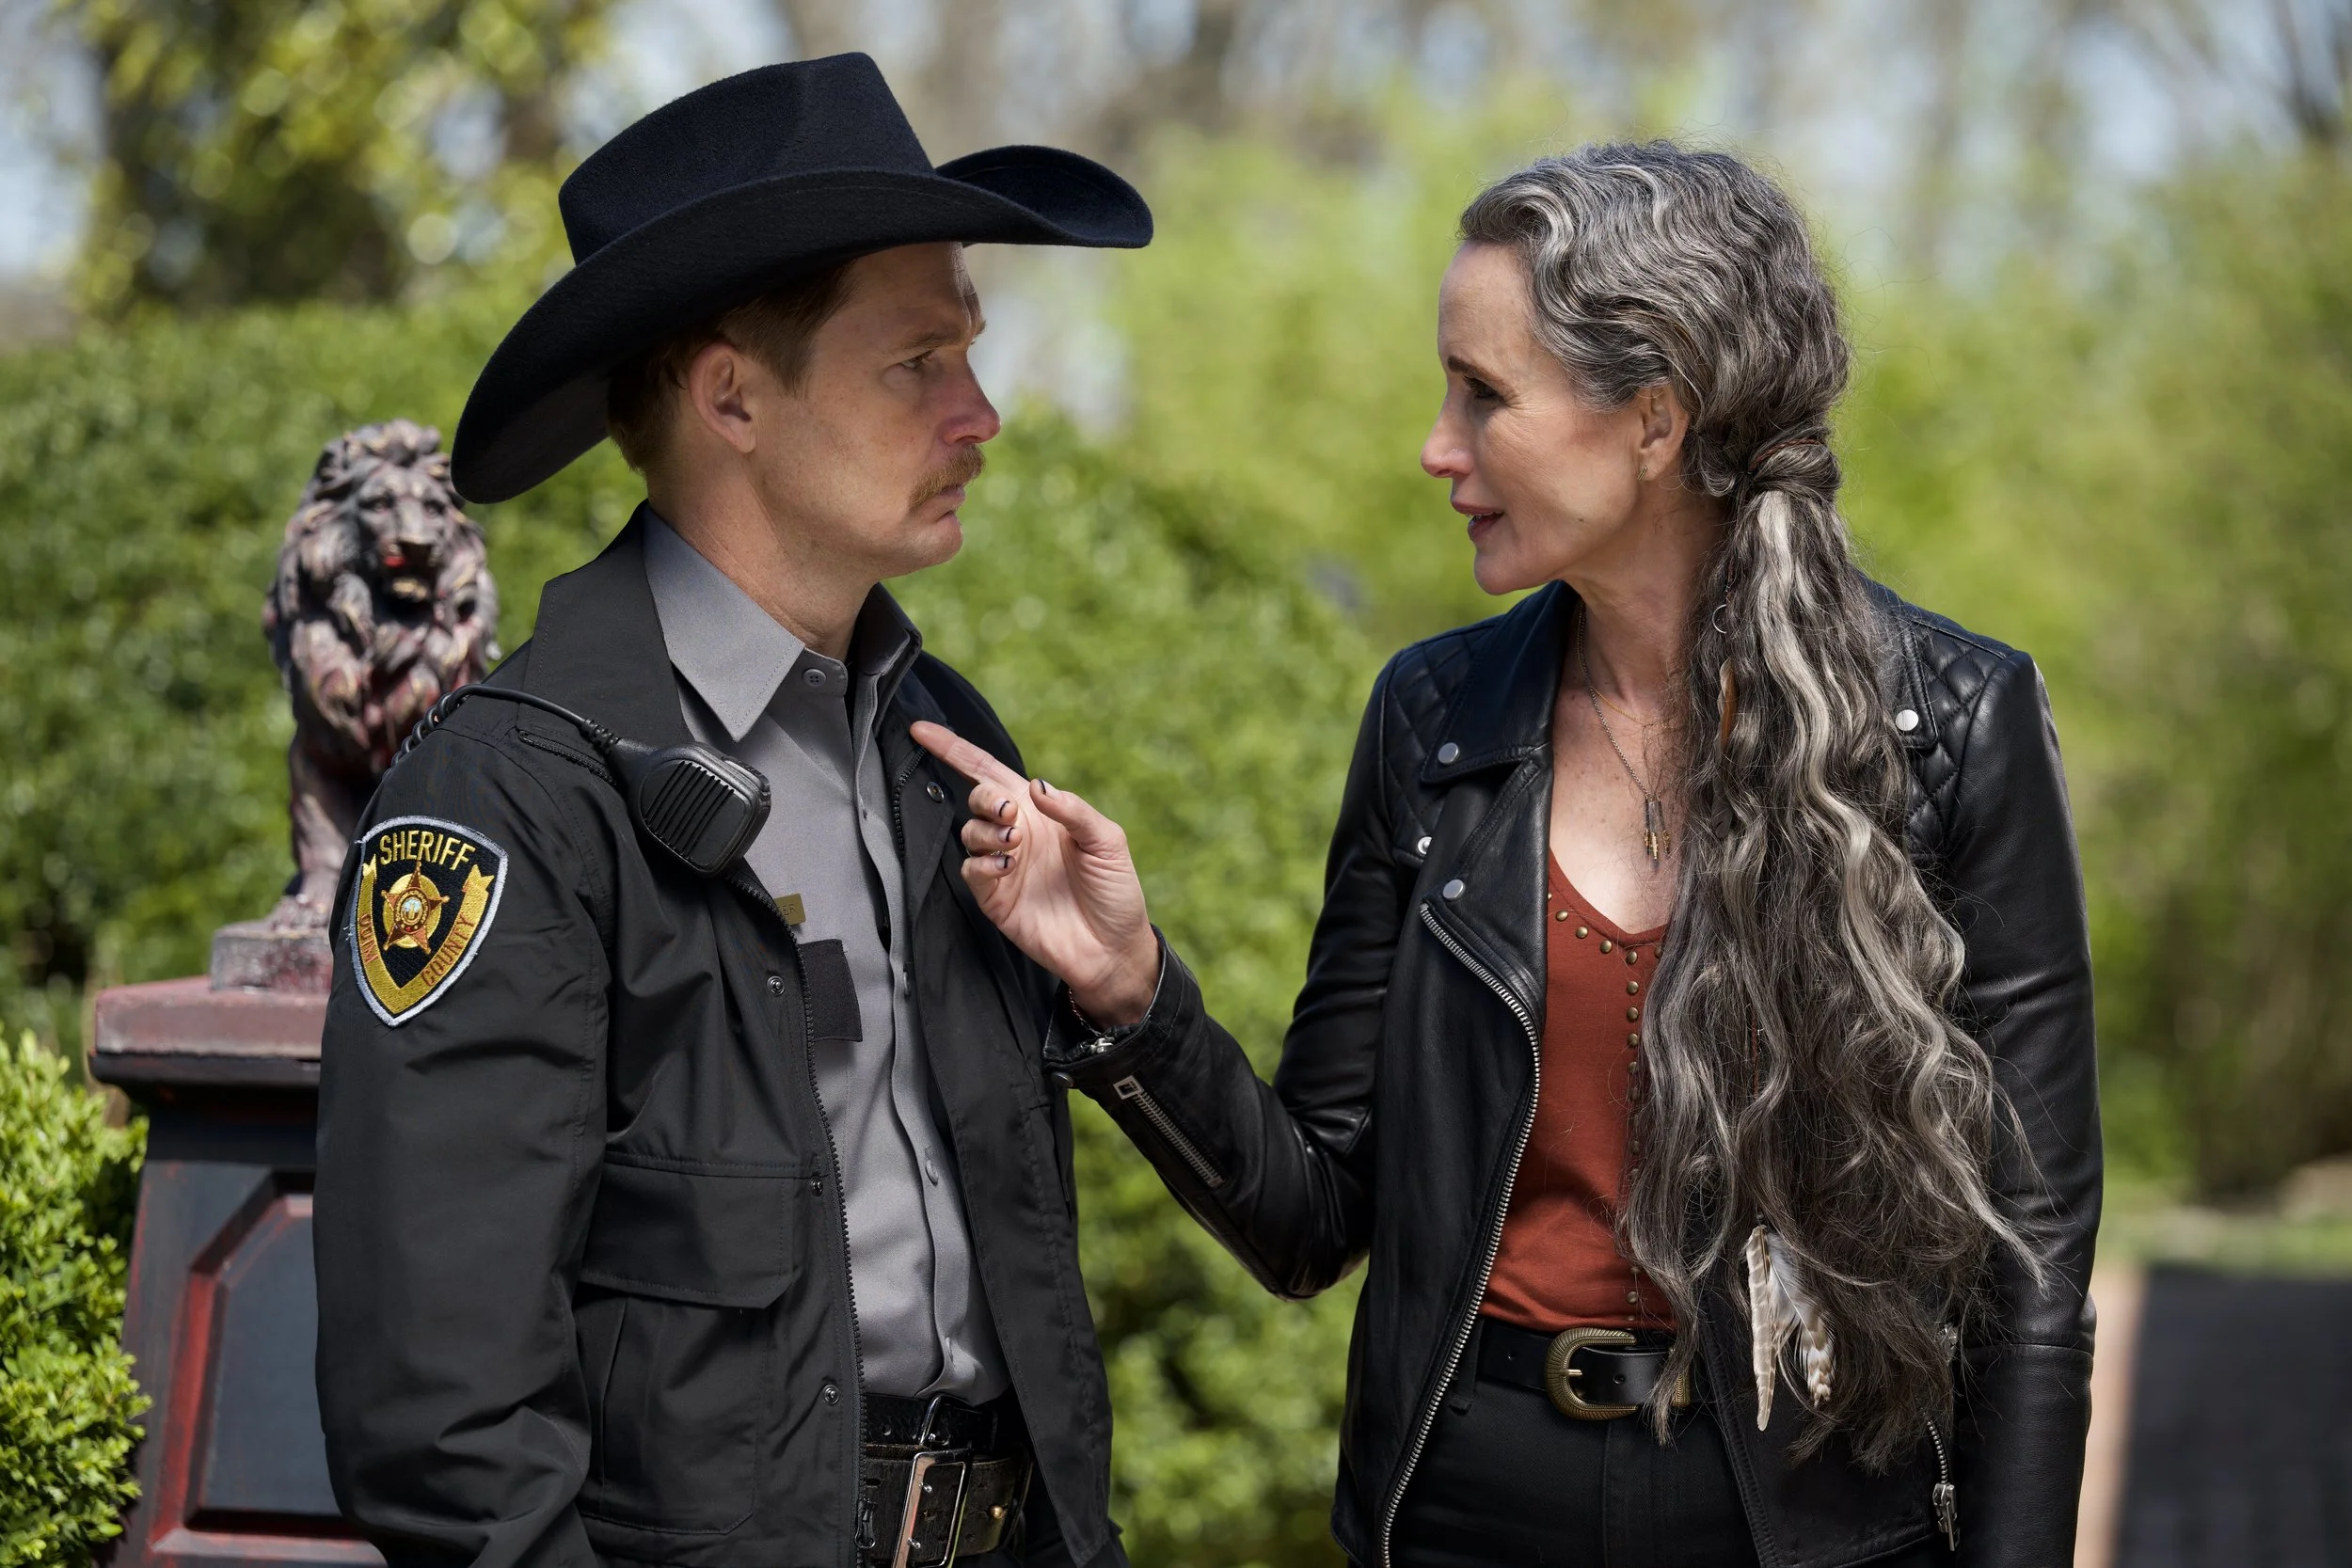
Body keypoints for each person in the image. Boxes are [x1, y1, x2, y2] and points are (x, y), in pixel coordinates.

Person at [914, 142, 2098, 1568]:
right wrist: (1128, 989)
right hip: (1466, 1505)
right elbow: (1311, 1213)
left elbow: (2030, 1273)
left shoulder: (1951, 726)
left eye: (1486, 394)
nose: (1437, 445)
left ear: (1653, 420)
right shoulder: (1433, 720)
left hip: (1812, 1518)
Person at [311, 55, 1151, 1568]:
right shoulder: (509, 796)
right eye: (918, 364)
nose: (984, 412)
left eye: (971, 352)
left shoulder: (939, 739)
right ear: (732, 395)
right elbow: (445, 1420)